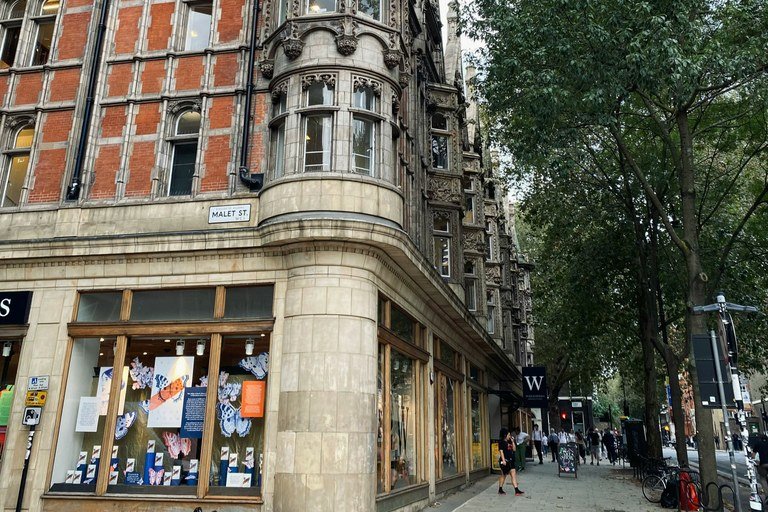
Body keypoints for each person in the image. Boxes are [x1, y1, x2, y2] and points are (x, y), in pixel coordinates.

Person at [497, 428, 524, 496]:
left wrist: (512, 441)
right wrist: (503, 460)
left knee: (513, 474)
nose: (510, 436)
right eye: (508, 435)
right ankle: (500, 489)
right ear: (505, 435)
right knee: (504, 475)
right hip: (505, 461)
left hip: (511, 460)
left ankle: (516, 490)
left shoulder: (509, 441)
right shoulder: (501, 442)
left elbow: (514, 449)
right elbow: (501, 451)